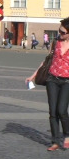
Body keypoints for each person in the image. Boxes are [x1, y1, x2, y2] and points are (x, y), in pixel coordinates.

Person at [25, 17, 69, 151]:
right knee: (53, 111)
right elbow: (46, 61)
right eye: (59, 31)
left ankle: (67, 134)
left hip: (67, 81)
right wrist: (33, 76)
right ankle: (55, 141)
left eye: (63, 32)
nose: (59, 34)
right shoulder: (55, 42)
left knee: (62, 110)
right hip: (52, 79)